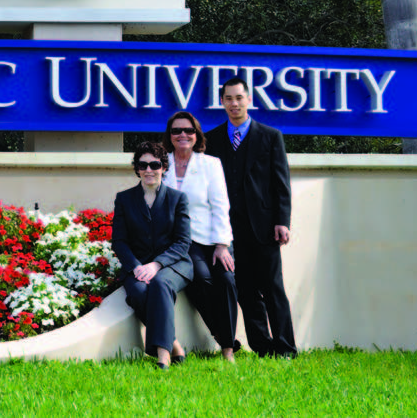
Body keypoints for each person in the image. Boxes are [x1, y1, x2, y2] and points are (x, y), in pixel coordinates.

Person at [205, 77, 297, 358]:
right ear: (222, 102)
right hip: (229, 230)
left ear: (249, 100)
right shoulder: (213, 139)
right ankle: (262, 346)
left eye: (239, 98)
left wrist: (283, 220)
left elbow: (281, 183)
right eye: (229, 98)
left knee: (272, 288)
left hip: (265, 227)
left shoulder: (270, 136)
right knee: (244, 290)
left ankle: (285, 346)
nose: (234, 103)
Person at [162, 111, 238, 362]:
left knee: (226, 280)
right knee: (202, 279)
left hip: (213, 239)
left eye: (188, 130)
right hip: (182, 241)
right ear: (169, 136)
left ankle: (226, 344)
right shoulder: (161, 165)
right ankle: (227, 344)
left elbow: (220, 205)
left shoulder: (210, 164)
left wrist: (222, 245)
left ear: (196, 135)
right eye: (176, 130)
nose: (183, 135)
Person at [111, 141, 193, 369]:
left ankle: (163, 356)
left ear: (164, 167)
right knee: (138, 292)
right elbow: (119, 241)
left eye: (154, 164)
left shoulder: (178, 199)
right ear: (137, 168)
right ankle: (174, 344)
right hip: (136, 266)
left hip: (174, 265)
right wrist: (136, 266)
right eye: (143, 164)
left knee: (160, 284)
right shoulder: (124, 199)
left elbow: (182, 242)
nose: (149, 169)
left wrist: (156, 265)